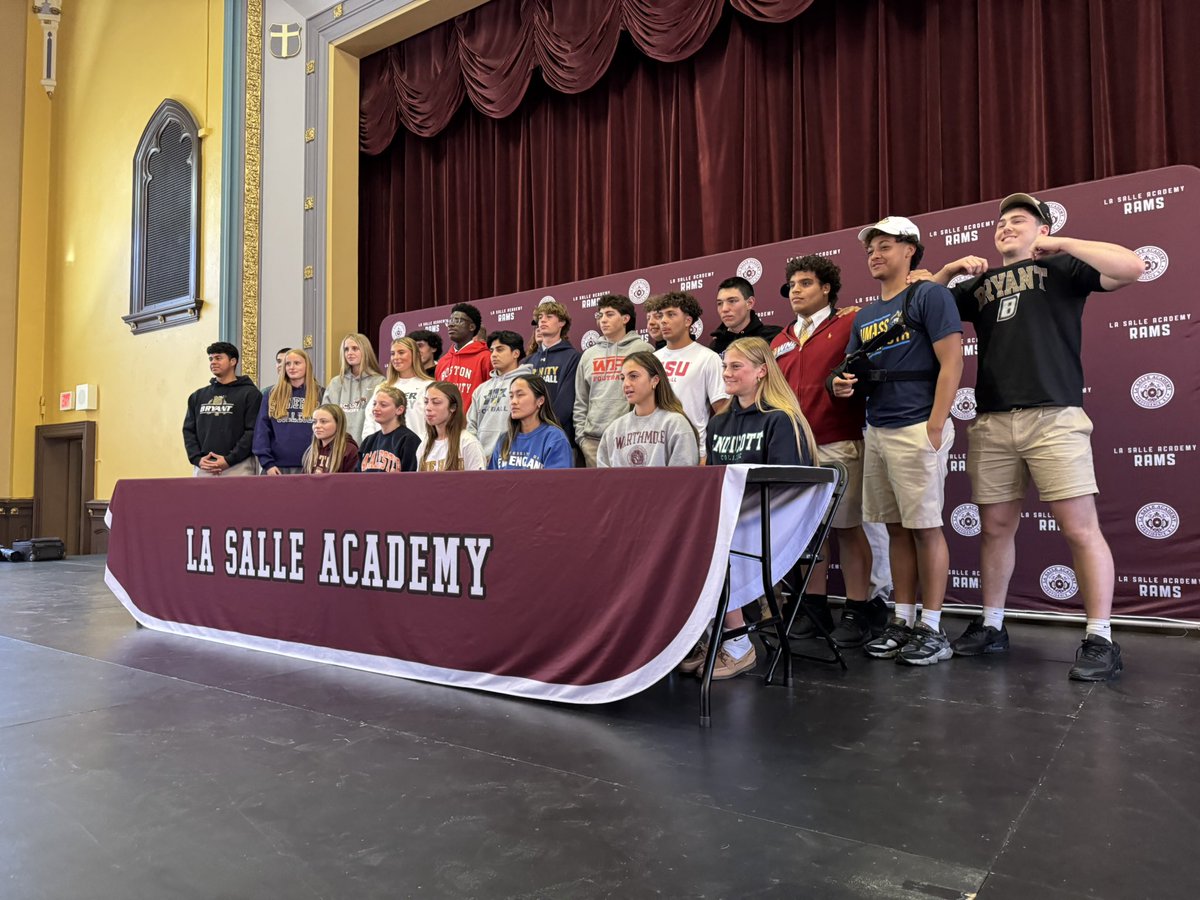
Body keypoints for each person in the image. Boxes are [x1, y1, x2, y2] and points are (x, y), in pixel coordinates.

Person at [914, 192, 1144, 681]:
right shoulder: (979, 285)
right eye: (1001, 222)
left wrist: (1060, 243)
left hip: (1054, 417)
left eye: (1019, 220)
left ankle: (1100, 636)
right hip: (994, 420)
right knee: (995, 527)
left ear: (1041, 229)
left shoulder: (1064, 268)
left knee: (1080, 528)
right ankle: (993, 626)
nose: (1006, 226)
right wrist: (951, 268)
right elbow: (922, 306)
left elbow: (1132, 266)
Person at [832, 216, 963, 666]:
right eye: (871, 247)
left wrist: (935, 423)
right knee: (894, 528)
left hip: (915, 426)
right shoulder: (865, 315)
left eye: (885, 245)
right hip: (878, 429)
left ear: (911, 250)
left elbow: (951, 361)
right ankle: (902, 619)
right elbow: (858, 372)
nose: (875, 253)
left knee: (926, 528)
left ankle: (932, 626)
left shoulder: (930, 294)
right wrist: (845, 386)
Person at [681, 336, 818, 680]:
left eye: (736, 366)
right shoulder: (718, 423)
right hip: (732, 519)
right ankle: (711, 635)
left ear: (761, 371)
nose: (726, 373)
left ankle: (739, 644)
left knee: (714, 547)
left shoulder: (781, 419)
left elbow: (790, 490)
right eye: (725, 366)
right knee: (682, 540)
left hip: (774, 523)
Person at [771, 256, 886, 647]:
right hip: (796, 449)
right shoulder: (780, 339)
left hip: (839, 440)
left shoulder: (852, 323)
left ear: (826, 289)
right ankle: (813, 606)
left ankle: (858, 609)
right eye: (791, 285)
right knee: (807, 534)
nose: (796, 291)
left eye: (805, 283)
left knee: (848, 529)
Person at [573, 294, 653, 467]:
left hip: (632, 436)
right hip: (593, 441)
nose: (603, 320)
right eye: (600, 315)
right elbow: (581, 400)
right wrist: (582, 438)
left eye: (609, 314)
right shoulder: (589, 355)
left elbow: (653, 394)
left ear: (625, 318)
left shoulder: (643, 349)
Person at [653, 292, 728, 457]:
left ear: (688, 321)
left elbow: (722, 410)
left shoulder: (708, 358)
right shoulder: (653, 359)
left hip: (692, 450)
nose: (663, 321)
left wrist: (706, 454)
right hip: (653, 448)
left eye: (671, 314)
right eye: (660, 315)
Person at [597, 351, 700, 467]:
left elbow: (684, 478)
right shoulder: (613, 430)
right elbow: (604, 479)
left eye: (633, 376)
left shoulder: (676, 424)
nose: (625, 384)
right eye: (622, 378)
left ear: (655, 380)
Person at [183, 341, 263, 477]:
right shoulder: (198, 396)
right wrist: (197, 459)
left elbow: (252, 431)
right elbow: (189, 430)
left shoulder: (250, 394)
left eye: (218, 358)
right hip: (205, 466)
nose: (213, 362)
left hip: (238, 466)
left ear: (233, 361)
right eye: (211, 359)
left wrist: (229, 460)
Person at [467, 331, 535, 460]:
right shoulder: (481, 389)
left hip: (515, 457)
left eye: (500, 350)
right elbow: (471, 426)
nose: (493, 355)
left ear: (516, 353)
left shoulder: (529, 384)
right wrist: (476, 454)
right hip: (482, 459)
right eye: (492, 351)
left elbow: (533, 424)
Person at [254, 348, 323, 475]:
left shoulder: (321, 394)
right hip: (276, 468)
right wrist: (267, 464)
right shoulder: (271, 394)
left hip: (310, 466)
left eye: (297, 363)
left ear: (307, 365)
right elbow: (262, 431)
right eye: (287, 363)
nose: (291, 367)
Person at [525, 300, 581, 448]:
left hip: (559, 438)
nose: (542, 320)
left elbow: (566, 402)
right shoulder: (526, 362)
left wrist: (541, 429)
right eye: (540, 317)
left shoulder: (573, 357)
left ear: (561, 322)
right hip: (528, 436)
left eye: (549, 316)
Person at [490, 375, 573, 470]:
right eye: (511, 396)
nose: (513, 401)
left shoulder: (555, 438)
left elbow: (558, 482)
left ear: (540, 401)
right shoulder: (504, 439)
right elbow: (491, 482)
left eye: (520, 395)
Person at [363, 337, 432, 440]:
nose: (395, 357)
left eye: (401, 352)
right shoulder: (382, 387)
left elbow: (433, 424)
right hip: (384, 451)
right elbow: (370, 421)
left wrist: (422, 449)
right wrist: (371, 446)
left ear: (415, 355)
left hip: (416, 451)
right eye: (392, 353)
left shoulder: (428, 386)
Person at [322, 333, 385, 442]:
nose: (350, 353)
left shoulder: (379, 382)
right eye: (346, 349)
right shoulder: (335, 383)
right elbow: (325, 417)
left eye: (355, 349)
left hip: (368, 447)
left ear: (365, 351)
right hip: (339, 447)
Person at [416, 381, 486, 472]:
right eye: (426, 402)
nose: (428, 408)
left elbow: (479, 482)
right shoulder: (424, 446)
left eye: (436, 402)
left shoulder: (468, 443)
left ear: (453, 407)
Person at [435, 303, 493, 411]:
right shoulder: (442, 362)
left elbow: (491, 395)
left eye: (458, 320)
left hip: (474, 425)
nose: (451, 325)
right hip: (446, 425)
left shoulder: (486, 357)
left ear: (472, 327)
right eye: (450, 321)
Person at [709, 275, 782, 354]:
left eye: (732, 301)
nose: (724, 309)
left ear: (750, 303)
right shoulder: (714, 348)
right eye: (720, 303)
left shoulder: (774, 338)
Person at [356, 386, 419, 473]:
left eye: (383, 405)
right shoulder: (368, 441)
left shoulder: (408, 440)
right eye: (374, 404)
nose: (376, 409)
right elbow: (356, 477)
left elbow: (412, 477)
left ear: (399, 410)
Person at [301, 404, 360, 474]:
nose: (317, 426)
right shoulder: (310, 451)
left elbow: (352, 481)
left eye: (323, 421)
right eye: (314, 422)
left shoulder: (350, 450)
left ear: (338, 424)